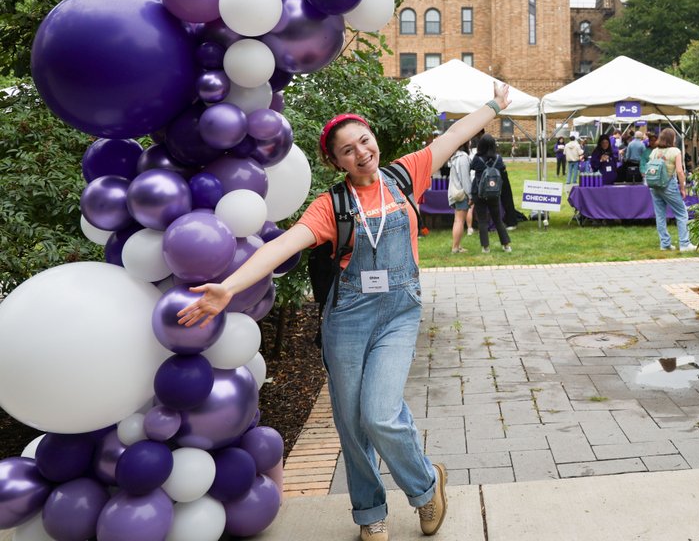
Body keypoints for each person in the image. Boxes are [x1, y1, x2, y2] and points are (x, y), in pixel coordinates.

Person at [178, 84, 513, 540]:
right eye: (347, 150)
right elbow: (281, 246)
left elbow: (452, 137)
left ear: (374, 140)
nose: (361, 153)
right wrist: (229, 287)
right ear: (336, 162)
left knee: (379, 413)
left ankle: (426, 486)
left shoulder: (404, 175)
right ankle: (369, 513)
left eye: (364, 141)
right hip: (348, 320)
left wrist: (494, 106)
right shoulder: (329, 205)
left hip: (399, 312)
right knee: (351, 424)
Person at [646, 128, 697, 252]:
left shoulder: (654, 152)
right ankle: (685, 243)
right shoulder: (675, 151)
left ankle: (665, 244)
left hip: (654, 186)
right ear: (672, 139)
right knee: (682, 213)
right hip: (668, 184)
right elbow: (679, 171)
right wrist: (683, 187)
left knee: (660, 215)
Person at [470, 133, 512, 253]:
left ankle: (485, 247)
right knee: (497, 219)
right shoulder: (498, 158)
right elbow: (502, 169)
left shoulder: (477, 158)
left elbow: (472, 167)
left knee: (482, 220)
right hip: (494, 192)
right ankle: (506, 245)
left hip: (479, 192)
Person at [447, 141, 472, 254]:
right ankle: (455, 247)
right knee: (459, 221)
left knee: (458, 220)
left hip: (456, 192)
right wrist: (470, 195)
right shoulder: (462, 158)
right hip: (462, 193)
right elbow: (465, 180)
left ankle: (457, 245)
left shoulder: (455, 157)